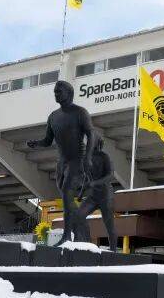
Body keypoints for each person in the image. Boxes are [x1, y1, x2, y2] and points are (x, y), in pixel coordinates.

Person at [26, 81, 93, 246]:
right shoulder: (53, 116)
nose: (56, 94)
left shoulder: (80, 112)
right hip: (62, 162)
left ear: (69, 93)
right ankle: (82, 232)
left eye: (59, 92)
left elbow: (91, 135)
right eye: (55, 92)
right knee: (66, 199)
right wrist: (36, 143)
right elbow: (48, 140)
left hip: (77, 160)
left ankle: (67, 236)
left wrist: (88, 158)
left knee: (67, 195)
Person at [73, 132, 117, 251]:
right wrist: (81, 191)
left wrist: (94, 183)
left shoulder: (104, 157)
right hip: (93, 196)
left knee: (109, 225)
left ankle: (113, 250)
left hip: (105, 195)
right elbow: (87, 178)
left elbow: (110, 176)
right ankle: (85, 244)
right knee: (78, 216)